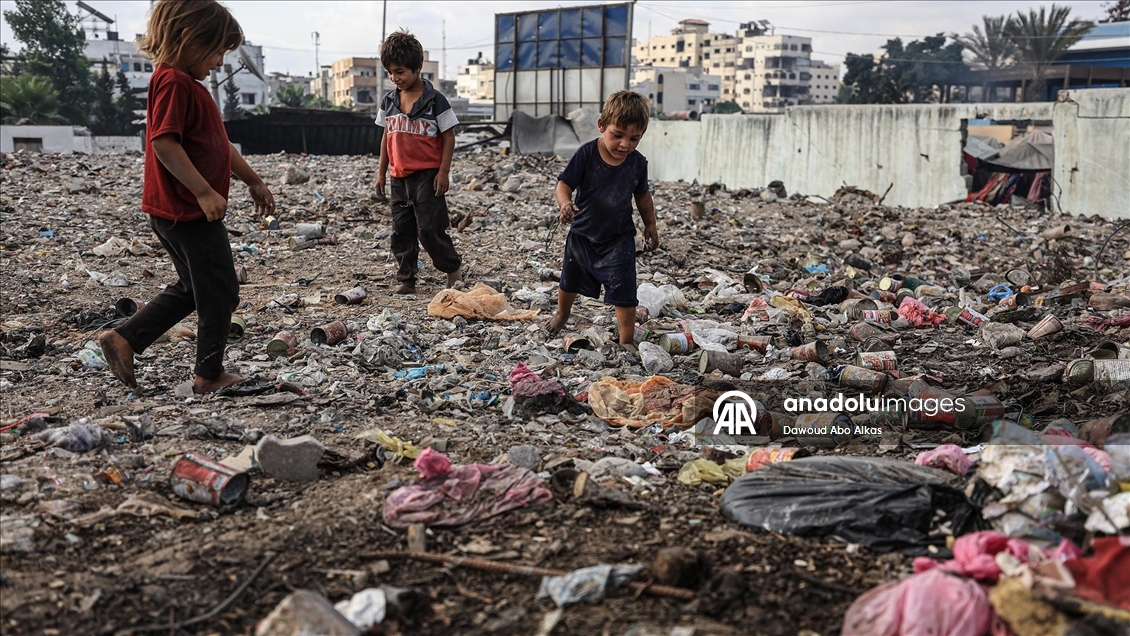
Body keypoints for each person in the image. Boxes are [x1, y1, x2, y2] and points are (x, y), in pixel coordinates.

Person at [98, 0, 275, 394]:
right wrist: (204, 192)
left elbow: (219, 144)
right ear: (188, 40)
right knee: (221, 290)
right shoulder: (175, 82)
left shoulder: (188, 85)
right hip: (187, 212)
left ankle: (125, 338)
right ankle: (208, 375)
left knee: (195, 287)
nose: (218, 62)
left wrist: (252, 180)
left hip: (177, 210)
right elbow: (164, 143)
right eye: (215, 52)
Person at [546, 91, 659, 347]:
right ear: (601, 125)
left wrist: (650, 225)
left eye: (634, 138)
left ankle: (626, 340)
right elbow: (564, 185)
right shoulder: (587, 154)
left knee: (625, 290)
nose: (625, 145)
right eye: (617, 135)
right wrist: (565, 203)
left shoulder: (638, 164)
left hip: (619, 237)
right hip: (583, 234)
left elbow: (643, 196)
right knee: (569, 280)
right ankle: (562, 314)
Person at [374, 29, 463, 295]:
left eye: (400, 71)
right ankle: (407, 278)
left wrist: (443, 172)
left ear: (417, 68)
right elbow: (386, 138)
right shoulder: (389, 101)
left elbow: (449, 137)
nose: (395, 78)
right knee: (401, 229)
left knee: (430, 229)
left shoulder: (435, 101)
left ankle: (453, 269)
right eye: (390, 72)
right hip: (398, 177)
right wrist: (381, 173)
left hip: (427, 176)